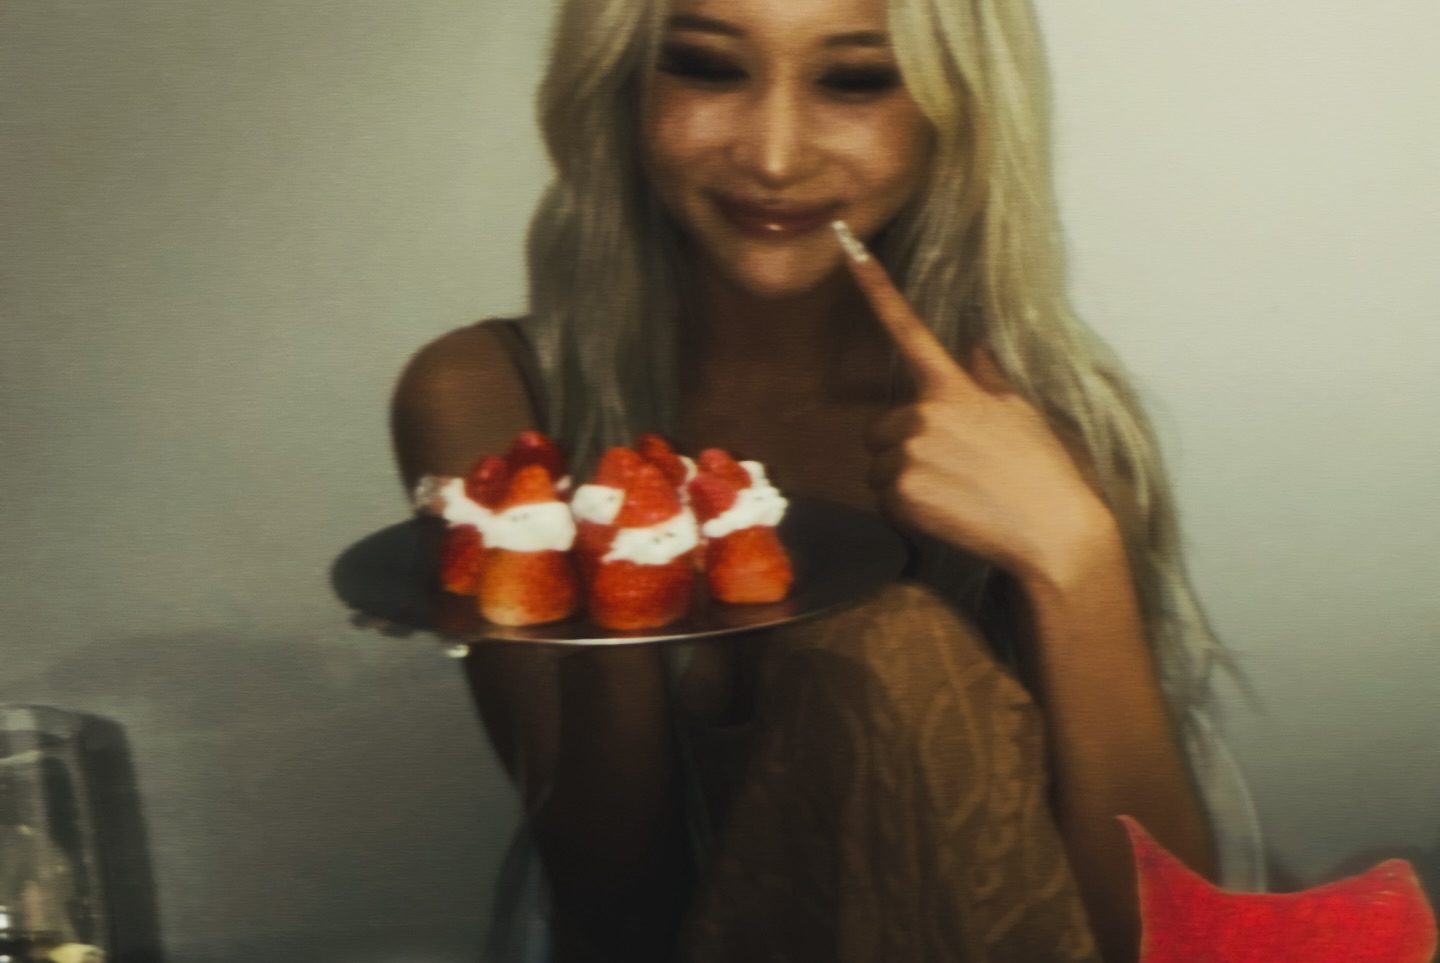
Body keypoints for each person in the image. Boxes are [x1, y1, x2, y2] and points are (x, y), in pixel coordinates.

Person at [390, 0, 1262, 960]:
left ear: (957, 107)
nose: (773, 155)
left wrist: (1074, 559)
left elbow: (1176, 942)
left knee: (893, 645)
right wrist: (623, 576)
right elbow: (613, 912)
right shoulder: (494, 402)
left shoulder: (1039, 421)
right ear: (622, 84)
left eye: (855, 80)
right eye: (708, 67)